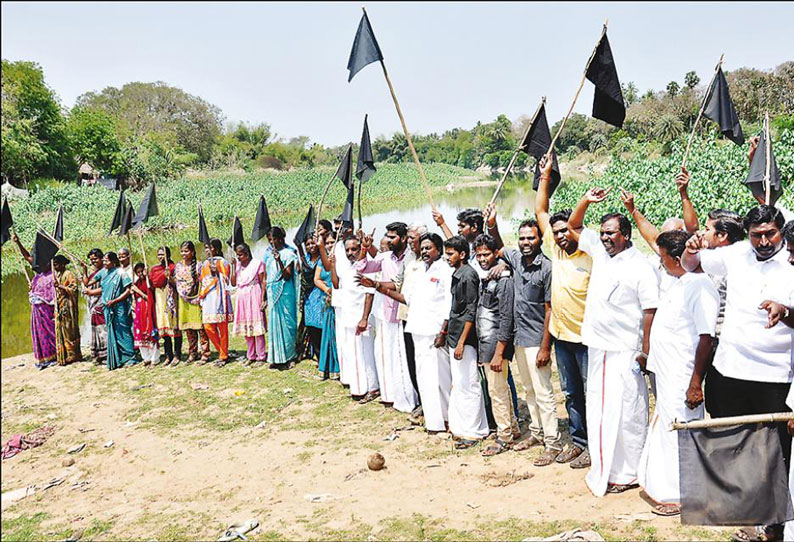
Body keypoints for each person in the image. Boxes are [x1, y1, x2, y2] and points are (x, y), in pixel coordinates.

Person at [682, 205, 793, 542]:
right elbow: (692, 265)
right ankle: (749, 514)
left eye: (770, 234)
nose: (763, 242)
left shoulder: (791, 260)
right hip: (731, 370)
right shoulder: (734, 254)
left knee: (777, 452)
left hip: (777, 375)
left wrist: (784, 310)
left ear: (781, 231)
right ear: (747, 234)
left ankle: (775, 523)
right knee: (740, 445)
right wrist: (691, 248)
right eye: (756, 235)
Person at [568, 187, 659, 496]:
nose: (605, 237)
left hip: (626, 351)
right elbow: (574, 227)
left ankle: (630, 471)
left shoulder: (641, 266)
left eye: (611, 233)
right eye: (603, 232)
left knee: (629, 412)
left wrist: (645, 353)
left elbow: (650, 312)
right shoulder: (600, 254)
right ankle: (608, 468)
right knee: (600, 409)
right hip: (598, 348)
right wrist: (586, 201)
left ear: (626, 235)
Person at [637, 230, 719, 517]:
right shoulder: (678, 281)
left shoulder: (700, 286)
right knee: (668, 429)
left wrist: (695, 383)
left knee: (681, 433)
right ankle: (667, 488)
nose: (660, 264)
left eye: (662, 259)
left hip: (684, 375)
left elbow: (706, 339)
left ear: (676, 258)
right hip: (668, 372)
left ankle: (682, 496)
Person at [532, 159, 593, 468]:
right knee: (570, 393)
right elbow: (541, 211)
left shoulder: (591, 255)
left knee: (591, 392)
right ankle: (579, 442)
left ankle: (596, 445)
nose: (560, 235)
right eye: (556, 232)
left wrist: (582, 204)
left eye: (566, 230)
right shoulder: (555, 251)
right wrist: (544, 177)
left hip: (587, 338)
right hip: (561, 337)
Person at [494, 218, 561, 465]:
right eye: (522, 238)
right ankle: (537, 432)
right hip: (519, 338)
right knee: (529, 390)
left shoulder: (547, 268)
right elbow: (498, 245)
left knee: (544, 393)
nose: (525, 243)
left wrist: (545, 347)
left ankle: (553, 443)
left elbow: (549, 310)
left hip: (537, 340)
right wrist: (492, 223)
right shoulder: (516, 260)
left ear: (540, 239)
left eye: (530, 238)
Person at [380, 233, 453, 434]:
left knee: (440, 377)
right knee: (424, 378)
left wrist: (443, 330)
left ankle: (447, 419)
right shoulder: (418, 270)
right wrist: (379, 288)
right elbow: (406, 298)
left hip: (435, 333)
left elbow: (448, 303)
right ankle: (433, 422)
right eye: (422, 248)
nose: (424, 251)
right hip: (417, 331)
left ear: (438, 249)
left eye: (429, 248)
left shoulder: (445, 270)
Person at [354, 222, 418, 413]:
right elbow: (361, 267)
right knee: (389, 356)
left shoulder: (411, 258)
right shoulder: (384, 258)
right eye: (387, 236)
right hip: (388, 313)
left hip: (406, 313)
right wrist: (364, 248)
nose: (389, 240)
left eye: (393, 237)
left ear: (404, 238)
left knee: (406, 358)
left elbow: (398, 284)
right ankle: (393, 395)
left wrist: (376, 284)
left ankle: (411, 399)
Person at [438, 235, 488, 448]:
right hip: (456, 335)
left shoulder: (468, 276)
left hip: (464, 339)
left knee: (469, 383)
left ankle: (474, 431)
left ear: (463, 254)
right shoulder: (457, 274)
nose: (446, 257)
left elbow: (470, 310)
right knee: (460, 383)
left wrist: (461, 342)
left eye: (450, 254)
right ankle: (462, 427)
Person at [474, 234, 518, 456]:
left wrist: (499, 353)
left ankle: (505, 436)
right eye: (479, 254)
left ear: (495, 254)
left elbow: (506, 318)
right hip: (486, 343)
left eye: (486, 254)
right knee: (498, 389)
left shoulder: (504, 280)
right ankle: (512, 428)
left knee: (497, 391)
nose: (482, 258)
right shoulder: (488, 276)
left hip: (495, 345)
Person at [331, 234, 379, 401]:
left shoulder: (367, 267)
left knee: (366, 354)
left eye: (354, 249)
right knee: (353, 354)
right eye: (348, 250)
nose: (351, 253)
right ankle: (358, 387)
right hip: (348, 317)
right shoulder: (346, 268)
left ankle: (372, 388)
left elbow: (369, 294)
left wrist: (364, 318)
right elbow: (337, 285)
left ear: (361, 249)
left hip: (362, 319)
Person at [13, 232, 57, 369]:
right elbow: (27, 257)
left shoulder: (53, 274)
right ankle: (43, 358)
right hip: (37, 311)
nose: (37, 265)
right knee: (39, 334)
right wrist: (18, 242)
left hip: (47, 311)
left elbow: (55, 296)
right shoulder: (39, 273)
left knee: (50, 333)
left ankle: (55, 355)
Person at [91, 252, 136, 370]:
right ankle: (117, 357)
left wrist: (116, 300)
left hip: (119, 306)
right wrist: (84, 273)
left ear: (113, 261)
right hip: (107, 307)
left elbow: (128, 290)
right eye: (104, 260)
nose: (104, 263)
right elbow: (88, 283)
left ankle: (129, 356)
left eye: (107, 260)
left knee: (122, 330)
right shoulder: (102, 272)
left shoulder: (121, 273)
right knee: (112, 331)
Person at [264, 226, 300, 368]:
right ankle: (276, 357)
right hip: (273, 293)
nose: (271, 243)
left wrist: (279, 260)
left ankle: (290, 356)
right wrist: (265, 297)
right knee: (274, 324)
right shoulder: (268, 257)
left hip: (285, 293)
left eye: (273, 240)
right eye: (269, 241)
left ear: (280, 239)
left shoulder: (288, 254)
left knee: (287, 323)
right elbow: (267, 278)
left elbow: (287, 275)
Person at [199, 238, 234, 367]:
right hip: (208, 298)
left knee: (222, 327)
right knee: (208, 327)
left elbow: (227, 280)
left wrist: (217, 272)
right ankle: (221, 351)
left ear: (217, 249)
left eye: (210, 248)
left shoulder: (222, 262)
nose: (208, 250)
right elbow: (202, 281)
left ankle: (223, 355)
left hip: (220, 297)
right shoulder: (204, 264)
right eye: (206, 248)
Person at [174, 241, 210, 364]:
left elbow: (203, 282)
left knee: (201, 328)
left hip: (196, 299)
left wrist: (199, 297)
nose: (183, 253)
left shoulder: (199, 265)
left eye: (186, 251)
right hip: (183, 299)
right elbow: (176, 283)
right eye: (182, 251)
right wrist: (169, 278)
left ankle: (205, 353)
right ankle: (192, 353)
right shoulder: (178, 266)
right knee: (189, 329)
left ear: (193, 252)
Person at [231, 243, 267, 366]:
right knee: (246, 327)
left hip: (254, 294)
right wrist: (233, 267)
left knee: (257, 327)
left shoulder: (257, 264)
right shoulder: (238, 266)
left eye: (240, 255)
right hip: (242, 297)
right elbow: (233, 282)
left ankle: (261, 355)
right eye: (237, 255)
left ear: (247, 254)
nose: (238, 257)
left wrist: (263, 299)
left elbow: (263, 282)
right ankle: (251, 355)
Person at [149, 247, 182, 366]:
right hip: (159, 299)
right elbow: (152, 284)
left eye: (163, 254)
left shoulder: (174, 267)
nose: (160, 257)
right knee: (163, 328)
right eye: (159, 254)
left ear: (168, 255)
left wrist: (170, 278)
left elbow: (179, 284)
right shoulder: (154, 269)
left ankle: (177, 355)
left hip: (171, 299)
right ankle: (168, 355)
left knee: (174, 326)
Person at [314, 232, 340, 380]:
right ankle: (326, 367)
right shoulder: (321, 261)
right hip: (327, 300)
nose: (330, 245)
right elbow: (316, 279)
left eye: (332, 242)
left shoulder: (342, 259)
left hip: (340, 300)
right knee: (327, 334)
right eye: (327, 243)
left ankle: (339, 367)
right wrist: (327, 290)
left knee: (338, 334)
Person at [52, 255, 82, 365]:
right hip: (60, 305)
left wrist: (61, 286)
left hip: (69, 306)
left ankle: (74, 354)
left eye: (56, 264)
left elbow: (74, 289)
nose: (55, 267)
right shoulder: (58, 275)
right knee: (63, 329)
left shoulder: (68, 274)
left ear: (62, 264)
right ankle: (65, 353)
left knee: (70, 329)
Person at [80, 248, 107, 365]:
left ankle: (106, 354)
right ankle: (98, 354)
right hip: (94, 305)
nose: (93, 261)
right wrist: (84, 271)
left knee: (103, 329)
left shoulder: (106, 272)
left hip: (102, 303)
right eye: (91, 260)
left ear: (102, 258)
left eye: (96, 259)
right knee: (95, 329)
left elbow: (104, 288)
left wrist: (91, 292)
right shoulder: (94, 274)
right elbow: (87, 283)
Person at [298, 234, 323, 361]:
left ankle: (324, 357)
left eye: (313, 243)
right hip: (308, 297)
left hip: (320, 295)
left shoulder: (322, 259)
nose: (311, 246)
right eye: (307, 244)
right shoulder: (305, 259)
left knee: (321, 325)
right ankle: (318, 355)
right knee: (311, 326)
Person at [132, 262, 159, 367]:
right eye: (137, 272)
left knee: (150, 332)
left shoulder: (149, 282)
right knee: (140, 333)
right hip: (139, 311)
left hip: (148, 309)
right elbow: (134, 298)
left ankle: (154, 359)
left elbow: (149, 298)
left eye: (141, 271)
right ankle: (146, 358)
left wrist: (139, 291)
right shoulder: (136, 283)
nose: (140, 274)